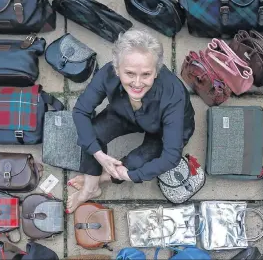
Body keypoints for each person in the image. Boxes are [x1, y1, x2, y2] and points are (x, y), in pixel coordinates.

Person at [66, 29, 195, 213]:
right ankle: (91, 188)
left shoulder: (172, 94)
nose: (137, 83)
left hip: (161, 131)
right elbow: (80, 111)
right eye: (129, 73)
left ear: (156, 72)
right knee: (92, 133)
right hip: (125, 114)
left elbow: (171, 156)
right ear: (117, 69)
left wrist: (131, 175)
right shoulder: (107, 74)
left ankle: (100, 177)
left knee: (136, 162)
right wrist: (98, 154)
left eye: (146, 75)